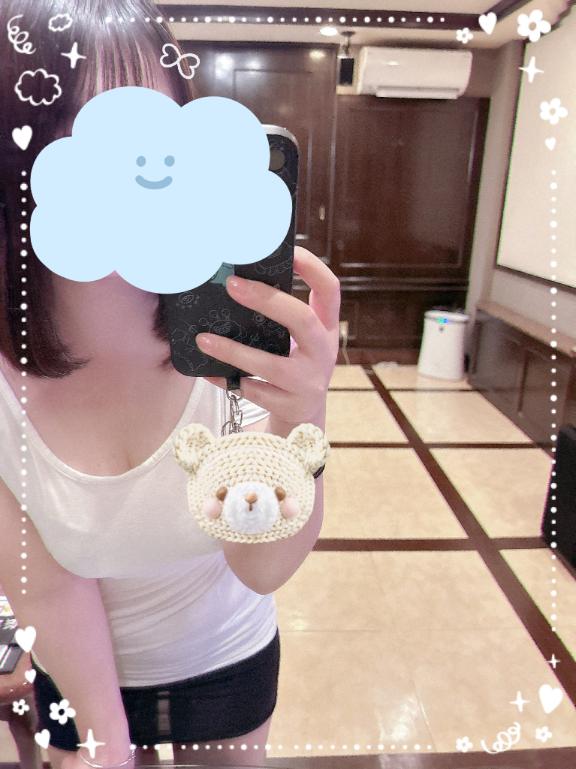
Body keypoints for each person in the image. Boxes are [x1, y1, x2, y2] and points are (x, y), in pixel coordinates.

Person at [0, 2, 340, 768]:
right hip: (73, 673)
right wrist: (104, 737)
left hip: (228, 663)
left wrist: (300, 424)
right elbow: (45, 586)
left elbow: (261, 566)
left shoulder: (234, 331)